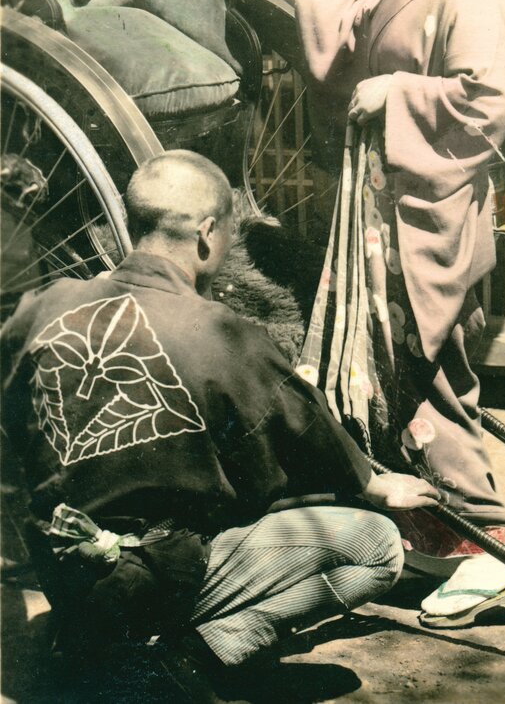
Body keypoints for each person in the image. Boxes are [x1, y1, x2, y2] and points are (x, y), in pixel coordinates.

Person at [236, 0, 505, 629]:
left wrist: (397, 90)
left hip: (424, 214)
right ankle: (440, 540)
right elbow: (367, 22)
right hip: (402, 203)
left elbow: (485, 102)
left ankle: (491, 544)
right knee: (416, 381)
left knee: (422, 380)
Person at [1, 149, 439, 690]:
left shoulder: (41, 307)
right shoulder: (221, 333)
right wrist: (372, 482)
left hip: (61, 573)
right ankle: (190, 656)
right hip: (155, 579)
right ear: (208, 234)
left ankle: (109, 641)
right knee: (375, 546)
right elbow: (300, 446)